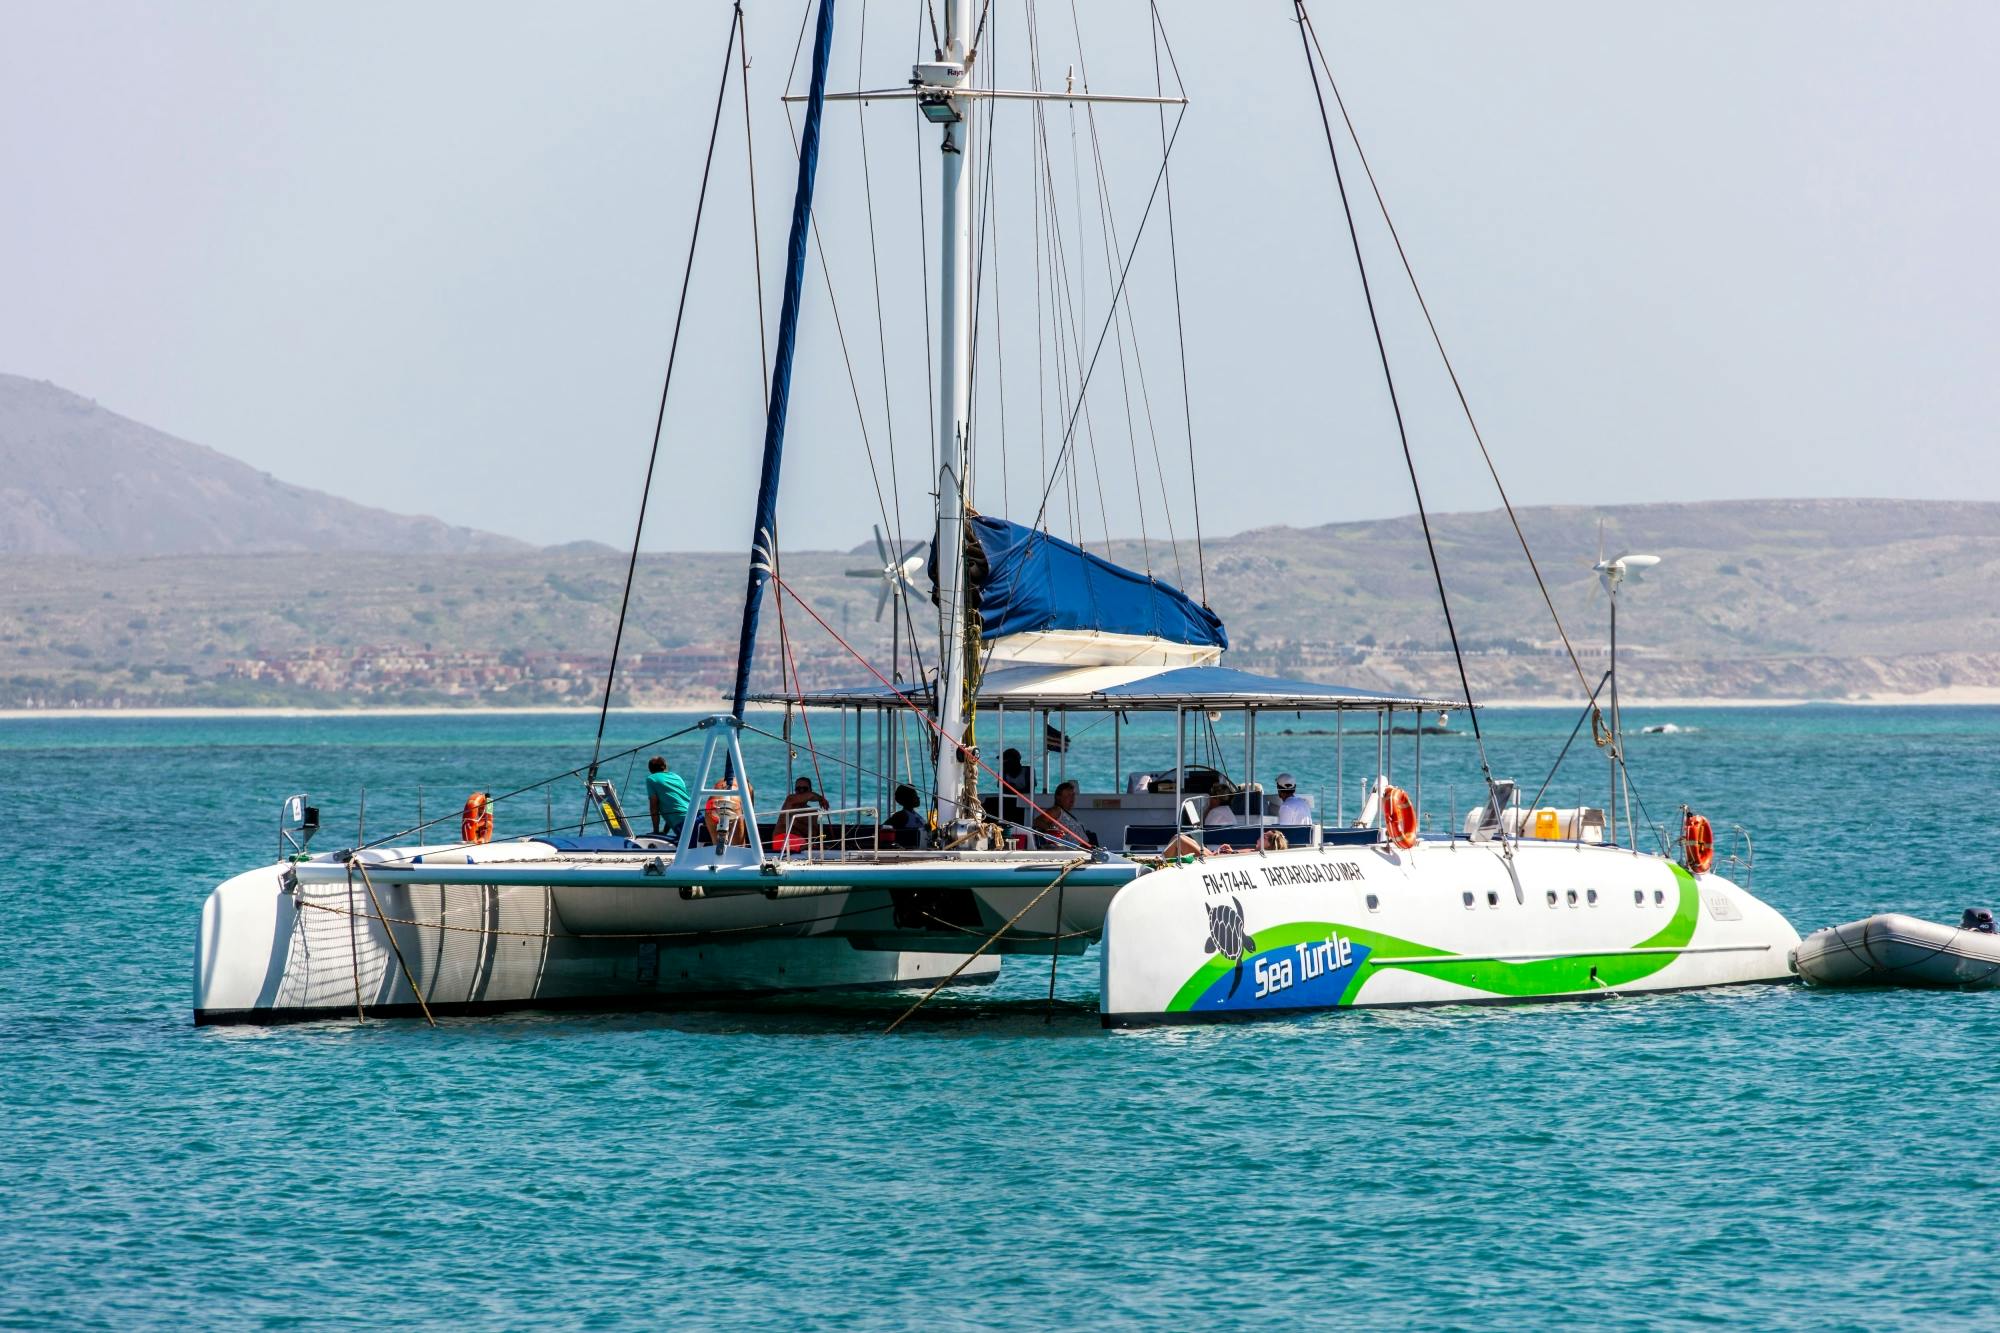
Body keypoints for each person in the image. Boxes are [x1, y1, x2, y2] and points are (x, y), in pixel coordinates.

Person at [1034, 779, 1092, 849]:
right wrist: (1053, 830)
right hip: (1071, 852)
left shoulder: (1067, 814)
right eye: (1068, 795)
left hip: (1084, 849)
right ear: (1059, 797)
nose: (1072, 798)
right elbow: (1038, 821)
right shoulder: (1056, 810)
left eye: (1073, 795)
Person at [645, 757, 689, 838]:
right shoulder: (677, 777)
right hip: (696, 816)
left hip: (682, 823)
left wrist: (656, 831)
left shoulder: (651, 779)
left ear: (650, 770)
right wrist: (665, 832)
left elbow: (654, 807)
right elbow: (675, 803)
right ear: (665, 766)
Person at [778, 776, 829, 846]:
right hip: (782, 841)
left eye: (804, 789)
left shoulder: (812, 812)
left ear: (810, 790)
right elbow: (810, 796)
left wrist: (796, 824)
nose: (801, 791)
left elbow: (812, 834)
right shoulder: (790, 801)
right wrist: (820, 799)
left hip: (802, 844)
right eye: (798, 789)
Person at [886, 783, 926, 849]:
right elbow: (885, 828)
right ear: (907, 798)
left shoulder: (914, 814)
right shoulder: (901, 816)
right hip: (911, 849)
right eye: (915, 795)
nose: (918, 797)